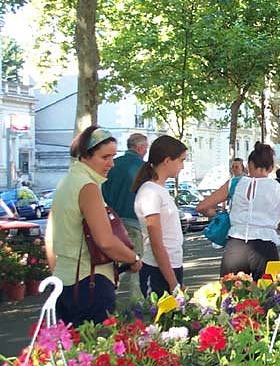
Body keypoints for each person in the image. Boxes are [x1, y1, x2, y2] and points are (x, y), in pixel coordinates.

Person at [45, 126, 142, 327]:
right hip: (90, 284)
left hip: (64, 282)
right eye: (105, 157)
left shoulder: (67, 182)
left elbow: (49, 236)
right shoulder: (88, 187)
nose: (111, 164)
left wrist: (59, 271)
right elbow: (105, 241)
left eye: (113, 156)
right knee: (96, 352)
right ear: (86, 156)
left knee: (72, 354)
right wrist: (133, 258)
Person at [197, 142, 280, 278]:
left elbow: (202, 207)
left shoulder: (234, 183)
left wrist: (220, 216)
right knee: (268, 295)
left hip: (236, 246)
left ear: (249, 165)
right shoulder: (279, 188)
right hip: (265, 246)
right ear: (271, 167)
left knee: (230, 294)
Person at [132, 135, 188, 298]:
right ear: (167, 160)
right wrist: (173, 283)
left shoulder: (159, 190)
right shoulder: (150, 191)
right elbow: (156, 243)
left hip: (171, 266)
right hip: (157, 271)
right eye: (181, 160)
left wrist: (177, 280)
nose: (182, 166)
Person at [102, 132, 148, 300]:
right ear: (141, 147)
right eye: (146, 148)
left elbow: (103, 192)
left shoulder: (113, 165)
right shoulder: (144, 168)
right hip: (135, 222)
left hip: (113, 223)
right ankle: (138, 302)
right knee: (137, 263)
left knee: (115, 265)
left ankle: (108, 298)